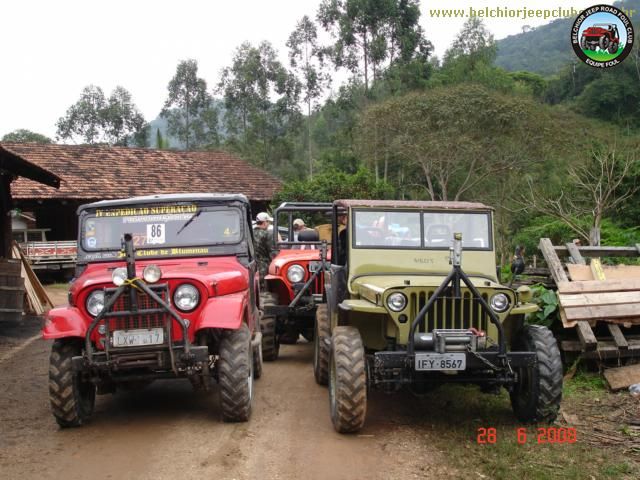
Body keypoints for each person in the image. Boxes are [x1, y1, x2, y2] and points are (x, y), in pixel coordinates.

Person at [253, 212, 274, 282]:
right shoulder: (267, 234)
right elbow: (272, 252)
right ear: (265, 222)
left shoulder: (249, 234)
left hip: (252, 266)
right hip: (264, 266)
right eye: (268, 222)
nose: (269, 224)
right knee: (264, 289)